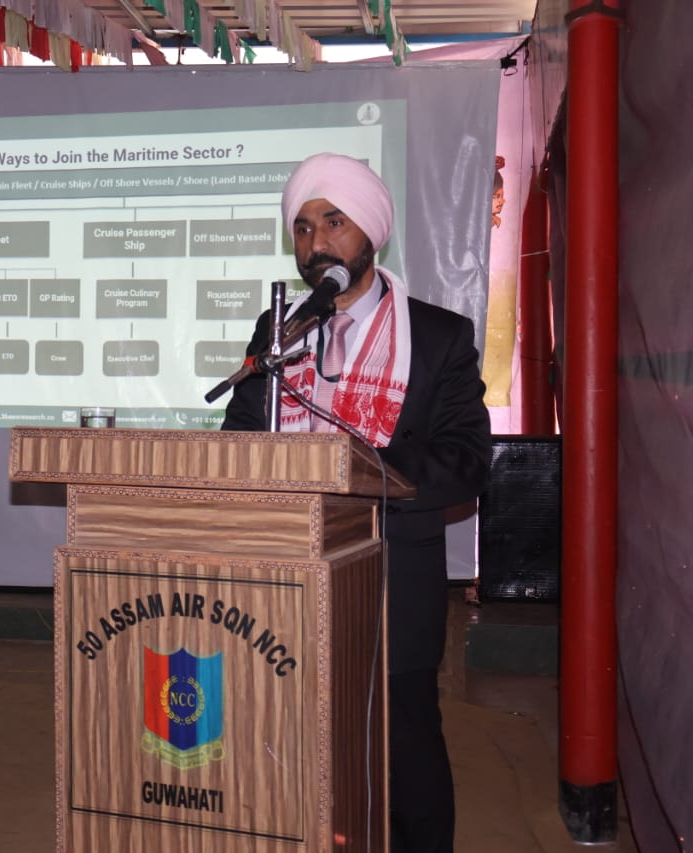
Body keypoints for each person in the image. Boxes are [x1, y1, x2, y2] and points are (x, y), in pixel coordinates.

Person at [221, 152, 492, 853]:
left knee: (404, 754)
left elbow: (467, 461)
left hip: (392, 579)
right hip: (283, 575)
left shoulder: (437, 337)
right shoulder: (278, 330)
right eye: (303, 227)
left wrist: (358, 470)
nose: (316, 243)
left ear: (371, 231)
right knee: (286, 741)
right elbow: (240, 435)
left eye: (334, 222)